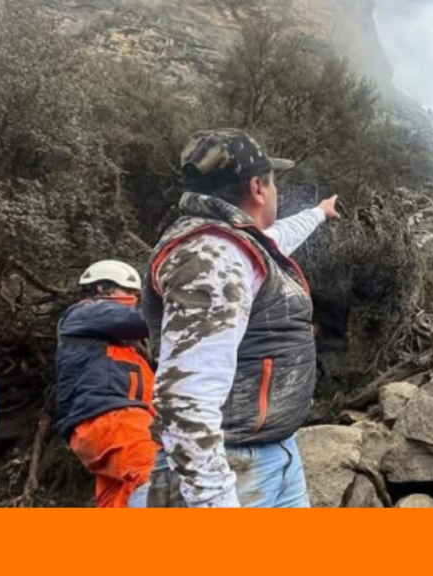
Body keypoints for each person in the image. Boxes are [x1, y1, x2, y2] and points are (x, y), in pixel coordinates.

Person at [143, 129, 339, 508]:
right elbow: (185, 398)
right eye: (273, 182)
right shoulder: (211, 256)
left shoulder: (237, 245)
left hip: (271, 454)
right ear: (257, 188)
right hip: (233, 467)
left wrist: (319, 213)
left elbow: (280, 236)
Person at [55, 260, 156, 507]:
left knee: (118, 499)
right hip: (114, 418)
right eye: (128, 291)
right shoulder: (87, 312)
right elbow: (147, 320)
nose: (134, 298)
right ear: (102, 288)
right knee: (155, 476)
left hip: (107, 425)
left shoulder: (118, 343)